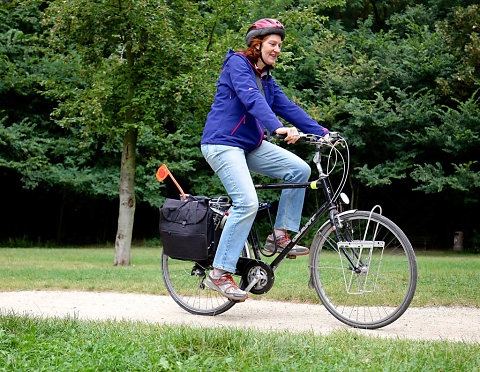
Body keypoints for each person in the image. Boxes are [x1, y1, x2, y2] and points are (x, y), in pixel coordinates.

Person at [201, 18, 330, 301]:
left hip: (248, 145)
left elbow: (288, 108)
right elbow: (251, 100)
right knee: (246, 202)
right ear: (257, 45)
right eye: (273, 44)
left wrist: (324, 133)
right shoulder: (237, 64)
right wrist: (276, 127)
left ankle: (279, 234)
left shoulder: (267, 81)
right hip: (221, 144)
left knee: (299, 169)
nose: (277, 50)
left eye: (280, 45)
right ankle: (219, 272)